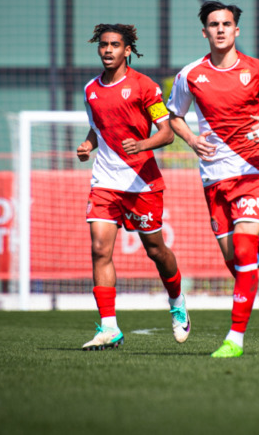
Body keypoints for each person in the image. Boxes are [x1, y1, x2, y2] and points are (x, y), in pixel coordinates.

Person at [167, 0, 259, 358]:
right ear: (204, 32)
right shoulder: (190, 75)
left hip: (254, 172)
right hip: (214, 180)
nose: (220, 29)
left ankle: (234, 339)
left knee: (247, 250)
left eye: (226, 24)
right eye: (213, 24)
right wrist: (191, 140)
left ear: (236, 30)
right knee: (236, 263)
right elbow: (174, 116)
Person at [76, 23, 190, 350]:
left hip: (141, 183)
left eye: (114, 45)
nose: (107, 50)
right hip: (105, 182)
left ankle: (177, 301)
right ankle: (109, 327)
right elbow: (98, 129)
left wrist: (142, 145)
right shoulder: (90, 90)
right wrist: (88, 145)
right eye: (103, 44)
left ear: (127, 50)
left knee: (155, 250)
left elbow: (166, 133)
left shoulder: (145, 87)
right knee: (100, 250)